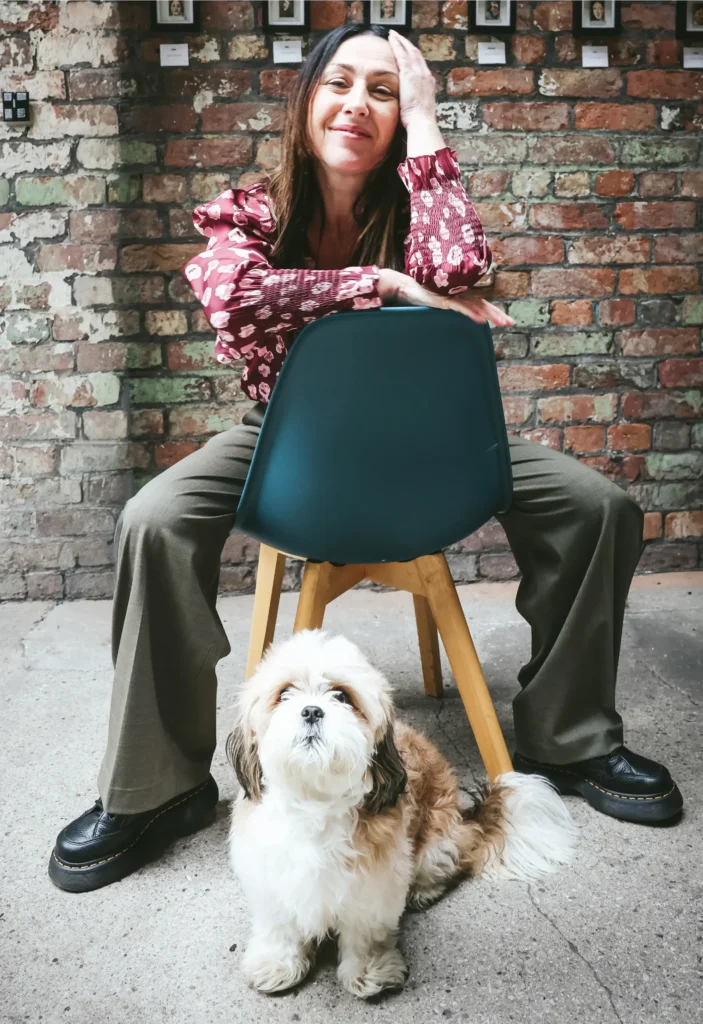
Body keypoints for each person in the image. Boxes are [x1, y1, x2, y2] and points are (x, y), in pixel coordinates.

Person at [48, 23, 682, 894]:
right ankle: (155, 790)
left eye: (384, 92)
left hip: (431, 436)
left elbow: (458, 271)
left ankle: (569, 739)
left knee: (597, 508)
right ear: (306, 100)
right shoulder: (251, 212)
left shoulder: (418, 206)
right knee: (153, 520)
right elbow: (230, 295)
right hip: (286, 434)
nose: (358, 104)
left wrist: (426, 123)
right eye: (339, 83)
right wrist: (379, 285)